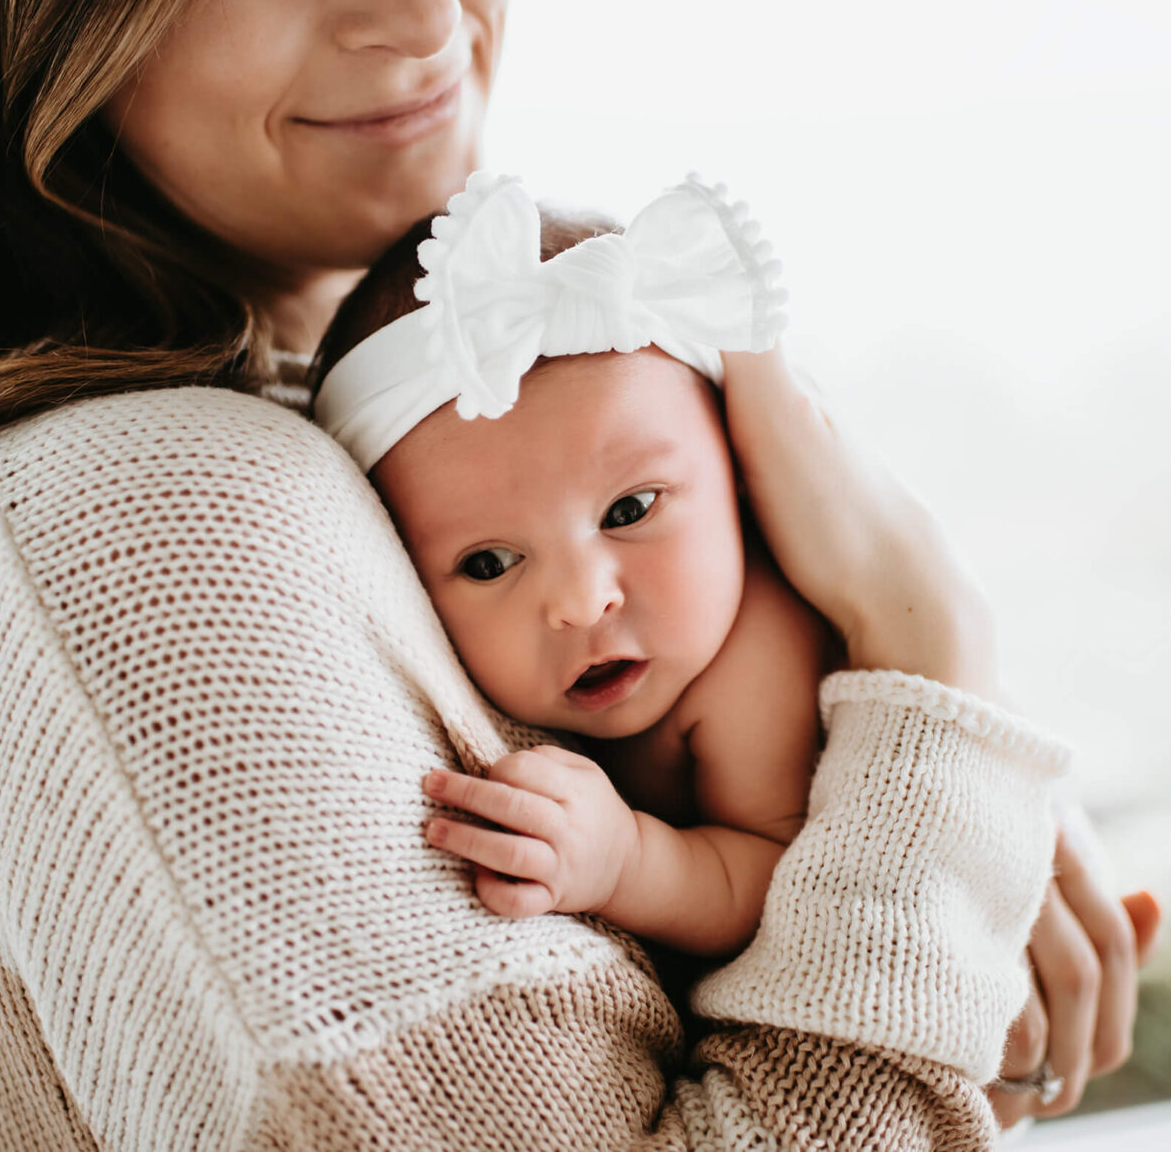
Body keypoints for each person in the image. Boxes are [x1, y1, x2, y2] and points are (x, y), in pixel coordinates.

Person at [0, 0, 1159, 1144]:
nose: (425, 3)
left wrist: (886, 790)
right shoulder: (137, 525)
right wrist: (930, 687)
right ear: (7, 10)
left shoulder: (359, 433)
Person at [312, 174, 836, 961]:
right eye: (489, 562)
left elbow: (791, 888)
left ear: (734, 466)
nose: (583, 602)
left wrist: (630, 862)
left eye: (630, 511)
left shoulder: (756, 655)